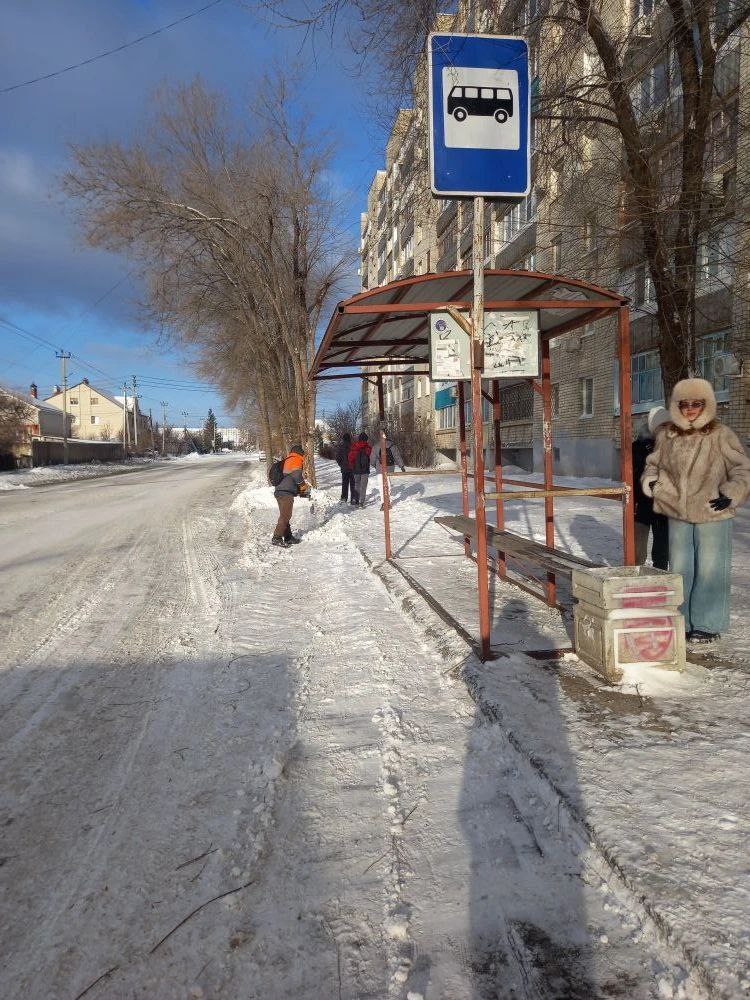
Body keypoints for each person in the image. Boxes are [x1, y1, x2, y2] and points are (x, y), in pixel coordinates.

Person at [642, 378, 750, 642]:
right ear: (676, 406)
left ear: (706, 404)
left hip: (712, 511)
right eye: (684, 404)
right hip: (677, 512)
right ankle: (684, 620)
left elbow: (742, 469)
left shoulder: (721, 434)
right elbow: (652, 465)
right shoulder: (667, 435)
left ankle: (707, 624)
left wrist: (730, 494)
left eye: (696, 404)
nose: (690, 409)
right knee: (680, 568)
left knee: (711, 568)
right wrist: (653, 483)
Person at [631, 406, 670, 569]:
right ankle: (634, 576)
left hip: (663, 506)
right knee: (637, 551)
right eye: (662, 425)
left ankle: (661, 576)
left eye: (668, 425)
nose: (666, 429)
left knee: (662, 551)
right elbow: (631, 475)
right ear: (653, 425)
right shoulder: (638, 447)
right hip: (642, 504)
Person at [272, 444, 310, 547]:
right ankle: (277, 537)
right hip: (286, 492)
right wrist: (303, 487)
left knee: (284, 515)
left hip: (280, 490)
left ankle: (288, 537)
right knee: (286, 515)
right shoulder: (296, 459)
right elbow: (297, 475)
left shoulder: (288, 459)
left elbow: (289, 476)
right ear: (300, 452)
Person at [371, 431, 406, 512]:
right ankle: (388, 501)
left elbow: (372, 459)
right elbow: (397, 456)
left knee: (381, 486)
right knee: (388, 485)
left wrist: (375, 466)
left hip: (380, 469)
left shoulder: (376, 446)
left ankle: (384, 503)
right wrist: (401, 466)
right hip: (389, 468)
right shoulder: (392, 445)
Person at [349, 432, 372, 508]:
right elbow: (371, 458)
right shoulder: (368, 448)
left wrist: (352, 466)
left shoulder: (354, 447)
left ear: (359, 439)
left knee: (357, 485)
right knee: (363, 486)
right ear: (366, 439)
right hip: (365, 470)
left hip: (356, 470)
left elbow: (350, 458)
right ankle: (361, 502)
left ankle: (356, 500)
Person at [335, 432, 357, 504]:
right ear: (349, 438)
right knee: (353, 484)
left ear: (343, 439)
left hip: (344, 468)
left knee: (345, 483)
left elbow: (337, 458)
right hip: (353, 468)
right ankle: (353, 498)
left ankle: (344, 498)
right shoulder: (353, 446)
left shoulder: (340, 447)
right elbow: (356, 457)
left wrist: (341, 465)